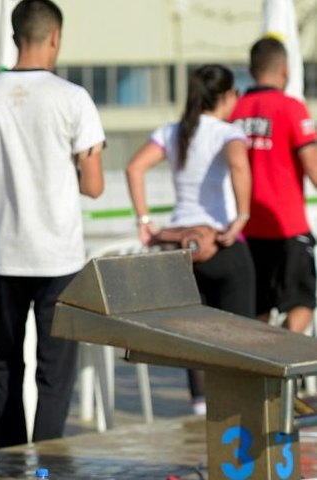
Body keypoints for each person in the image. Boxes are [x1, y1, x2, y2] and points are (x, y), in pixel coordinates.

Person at [0, 0, 104, 448]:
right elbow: (94, 186)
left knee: (6, 362)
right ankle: (48, 463)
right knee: (54, 368)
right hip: (59, 254)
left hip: (3, 250)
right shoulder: (73, 97)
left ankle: (10, 458)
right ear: (55, 37)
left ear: (14, 36)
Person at [126, 64, 255, 415]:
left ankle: (200, 409)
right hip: (222, 244)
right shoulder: (227, 133)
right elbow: (240, 166)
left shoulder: (171, 131)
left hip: (181, 249)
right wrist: (240, 217)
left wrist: (145, 222)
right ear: (227, 96)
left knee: (194, 340)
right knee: (240, 338)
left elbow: (134, 168)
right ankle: (235, 414)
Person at [229, 37, 317, 334]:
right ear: (285, 69)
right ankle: (288, 365)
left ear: (252, 70)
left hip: (247, 228)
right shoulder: (292, 108)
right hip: (288, 226)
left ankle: (267, 369)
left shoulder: (235, 110)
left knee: (259, 309)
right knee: (303, 301)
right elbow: (312, 164)